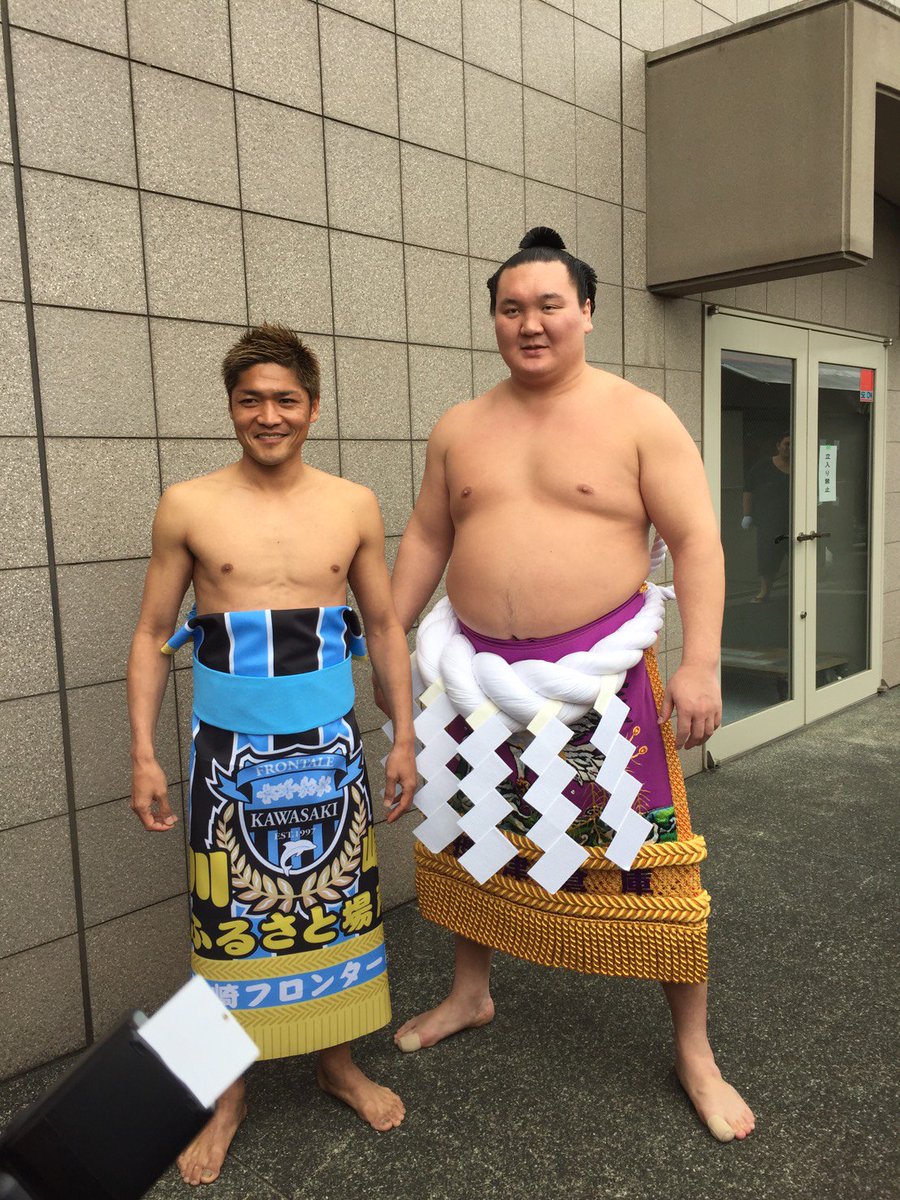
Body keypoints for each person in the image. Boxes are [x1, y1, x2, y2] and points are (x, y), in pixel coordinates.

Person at [383, 228, 755, 1143]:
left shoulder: (639, 418)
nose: (531, 323)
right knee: (475, 834)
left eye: (550, 304)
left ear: (586, 312)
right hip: (473, 681)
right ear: (494, 320)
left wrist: (701, 662)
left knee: (653, 857)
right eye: (512, 308)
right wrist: (391, 635)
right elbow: (428, 535)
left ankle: (695, 1050)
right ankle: (470, 992)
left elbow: (697, 541)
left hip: (602, 683)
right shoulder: (460, 427)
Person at [128, 324, 417, 1186]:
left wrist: (404, 734)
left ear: (313, 407)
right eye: (250, 399)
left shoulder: (353, 503)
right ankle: (227, 1094)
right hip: (229, 750)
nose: (268, 415)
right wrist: (142, 753)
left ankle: (336, 1063)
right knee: (227, 914)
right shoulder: (187, 504)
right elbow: (151, 634)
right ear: (230, 408)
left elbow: (383, 625)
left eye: (285, 399)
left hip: (332, 740)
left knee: (338, 900)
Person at [742, 433, 791, 602]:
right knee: (767, 557)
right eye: (786, 443)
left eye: (792, 444)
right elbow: (748, 489)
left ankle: (800, 593)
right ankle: (764, 591)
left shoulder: (801, 465)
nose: (789, 448)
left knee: (798, 557)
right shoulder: (763, 466)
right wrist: (747, 515)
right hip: (768, 522)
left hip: (793, 522)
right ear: (778, 445)